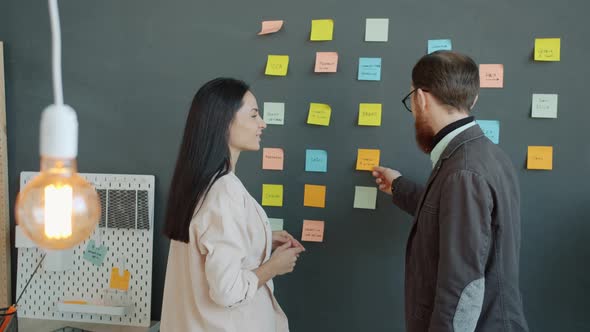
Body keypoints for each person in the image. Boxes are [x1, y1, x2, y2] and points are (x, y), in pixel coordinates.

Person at [372, 51, 528, 332]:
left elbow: (462, 288)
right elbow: (454, 217)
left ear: (420, 98)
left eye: (411, 100)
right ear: (474, 98)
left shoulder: (463, 172)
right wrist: (398, 187)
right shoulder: (486, 154)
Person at [161, 78, 304, 332]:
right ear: (224, 122)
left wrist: (262, 240)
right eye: (253, 115)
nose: (262, 123)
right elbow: (228, 291)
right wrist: (273, 267)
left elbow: (207, 247)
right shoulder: (224, 191)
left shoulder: (198, 184)